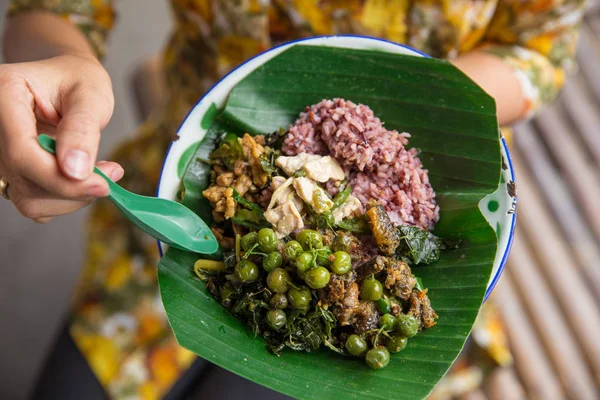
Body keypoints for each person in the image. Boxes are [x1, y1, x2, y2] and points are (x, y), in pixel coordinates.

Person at [0, 1, 586, 399]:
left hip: (407, 258)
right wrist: (62, 63)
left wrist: (419, 101)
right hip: (173, 206)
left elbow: (538, 52)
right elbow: (56, 10)